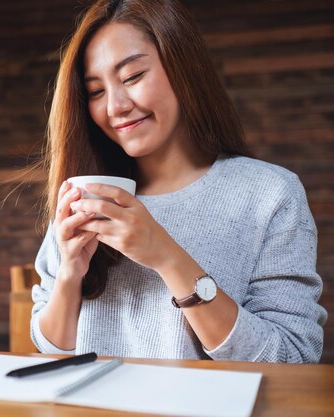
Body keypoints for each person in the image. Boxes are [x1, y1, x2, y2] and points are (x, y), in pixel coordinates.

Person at [30, 0, 327, 363]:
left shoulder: (269, 193)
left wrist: (168, 257)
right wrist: (69, 275)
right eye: (96, 91)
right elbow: (50, 347)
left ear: (184, 69)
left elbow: (292, 357)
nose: (115, 106)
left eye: (132, 77)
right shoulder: (87, 192)